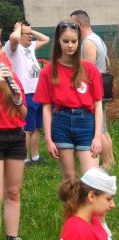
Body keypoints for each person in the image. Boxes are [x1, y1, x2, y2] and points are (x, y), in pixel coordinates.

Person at [34, 21, 103, 180]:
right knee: (70, 178)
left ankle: (89, 198)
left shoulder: (90, 69)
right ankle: (72, 198)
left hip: (86, 123)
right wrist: (48, 139)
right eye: (65, 41)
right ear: (58, 41)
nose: (70, 45)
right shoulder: (48, 71)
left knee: (92, 179)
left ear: (79, 41)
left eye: (74, 41)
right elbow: (46, 107)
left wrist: (97, 136)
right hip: (61, 124)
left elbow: (98, 104)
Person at [70, 10, 114, 169]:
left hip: (95, 91)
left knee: (99, 129)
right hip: (100, 89)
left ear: (80, 24)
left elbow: (88, 70)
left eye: (73, 25)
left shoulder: (88, 42)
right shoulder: (96, 38)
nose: (71, 29)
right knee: (103, 128)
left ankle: (107, 162)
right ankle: (109, 160)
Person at [4, 20, 50, 168]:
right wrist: (18, 29)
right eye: (27, 34)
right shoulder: (13, 48)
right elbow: (14, 38)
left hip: (37, 92)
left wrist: (30, 31)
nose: (31, 37)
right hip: (26, 93)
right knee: (27, 129)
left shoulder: (30, 46)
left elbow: (46, 39)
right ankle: (24, 158)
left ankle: (35, 156)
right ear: (19, 33)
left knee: (36, 128)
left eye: (31, 34)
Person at [0, 44, 28, 240]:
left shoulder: (10, 73)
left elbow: (25, 114)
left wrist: (18, 101)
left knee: (13, 192)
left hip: (16, 136)